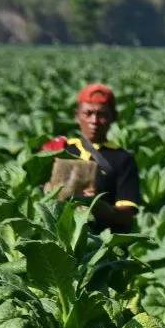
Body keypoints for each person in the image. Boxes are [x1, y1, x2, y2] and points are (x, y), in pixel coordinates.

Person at [41, 83, 141, 234]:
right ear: (77, 115)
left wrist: (97, 204)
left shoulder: (122, 159)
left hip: (100, 244)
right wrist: (49, 189)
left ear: (113, 116)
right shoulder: (60, 149)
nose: (94, 120)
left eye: (102, 115)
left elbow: (126, 216)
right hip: (57, 237)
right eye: (88, 113)